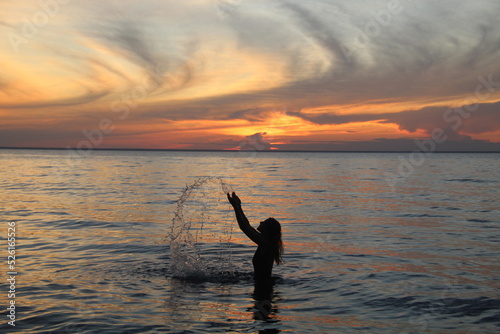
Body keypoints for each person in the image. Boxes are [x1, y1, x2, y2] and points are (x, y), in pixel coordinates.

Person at [227, 192, 284, 285]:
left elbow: (244, 227)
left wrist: (236, 208)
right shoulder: (266, 242)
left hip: (262, 288)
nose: (261, 222)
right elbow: (247, 225)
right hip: (262, 285)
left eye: (264, 222)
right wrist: (238, 206)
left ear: (268, 229)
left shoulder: (265, 244)